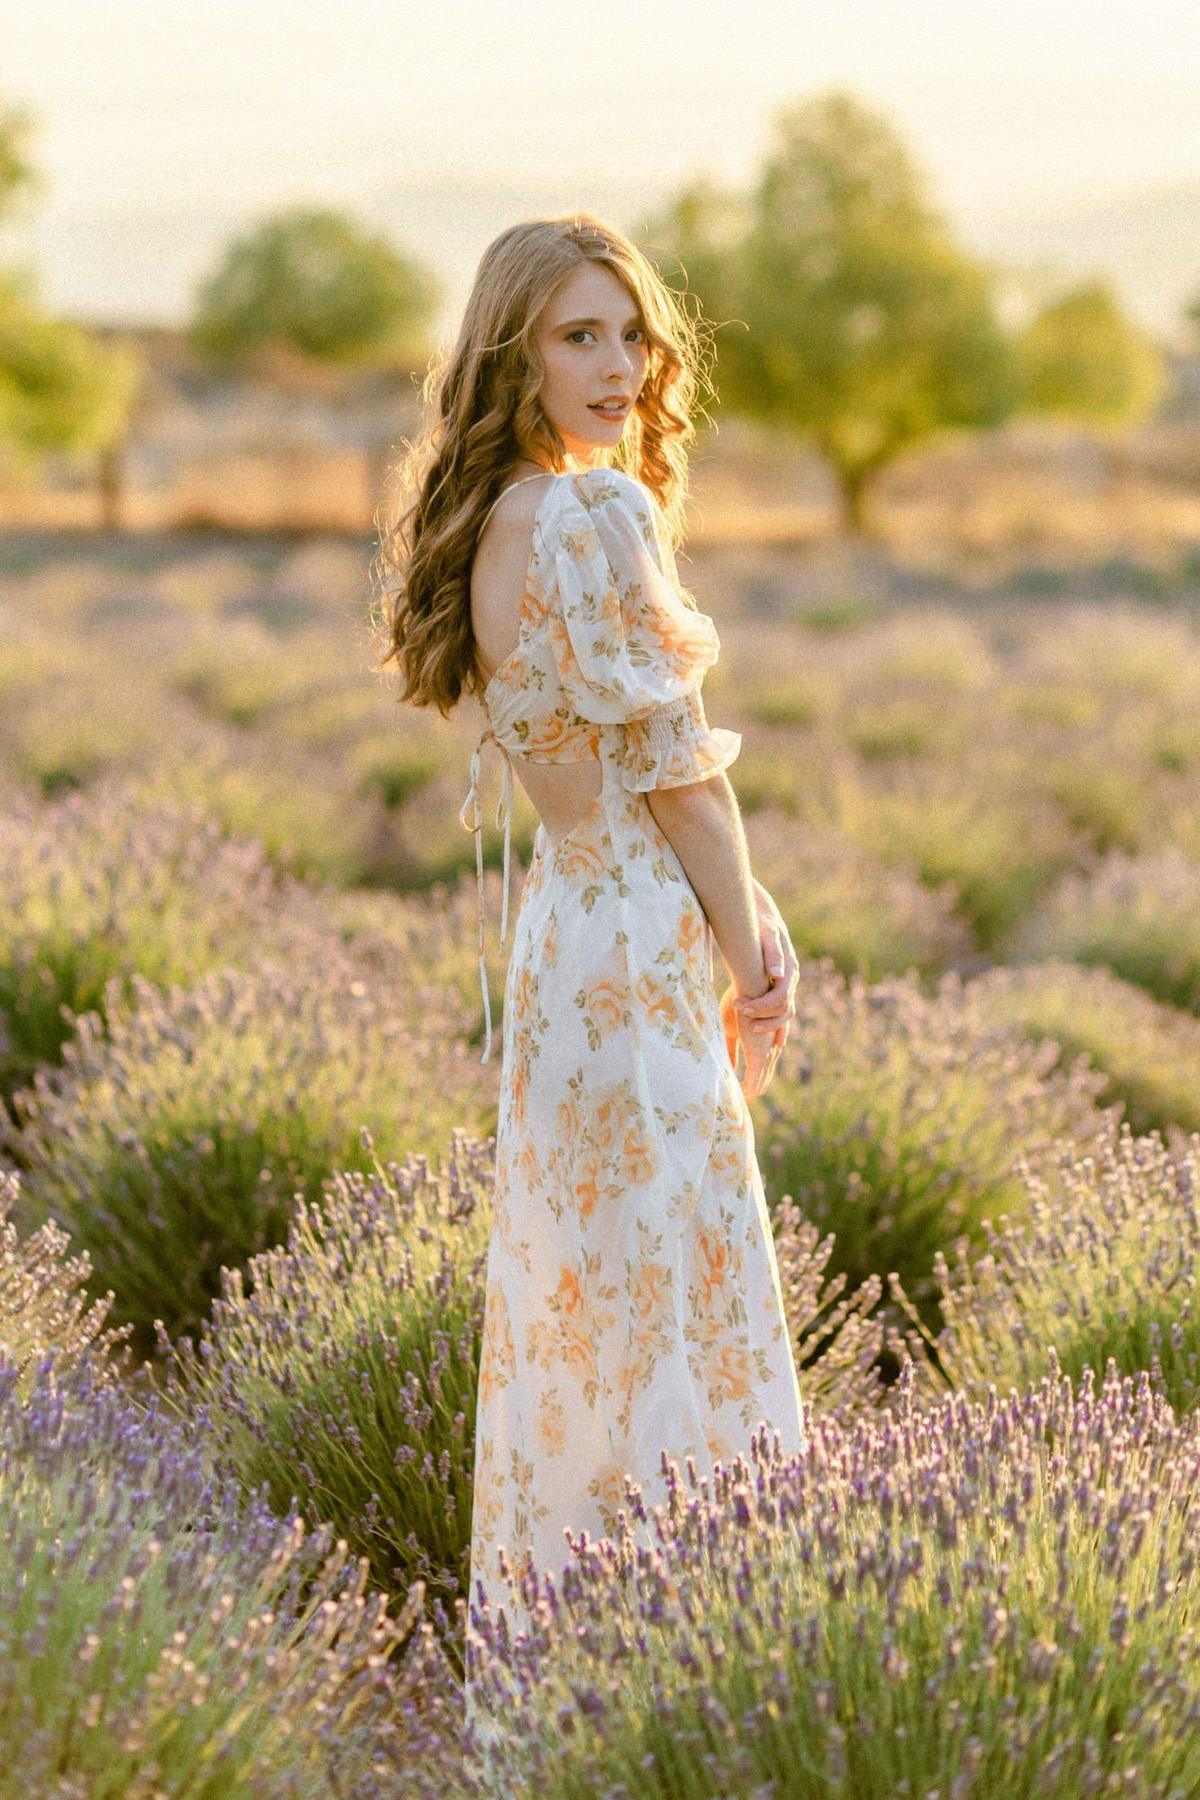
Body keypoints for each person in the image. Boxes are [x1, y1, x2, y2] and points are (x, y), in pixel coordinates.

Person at [373, 212, 806, 1742]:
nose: (619, 367)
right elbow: (681, 783)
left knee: (587, 1305)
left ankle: (584, 1688)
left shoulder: (490, 519)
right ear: (515, 349)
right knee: (681, 1285)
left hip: (570, 944)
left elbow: (604, 780)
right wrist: (756, 948)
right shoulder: (590, 517)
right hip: (636, 945)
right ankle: (706, 1676)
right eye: (579, 335)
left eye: (630, 334)